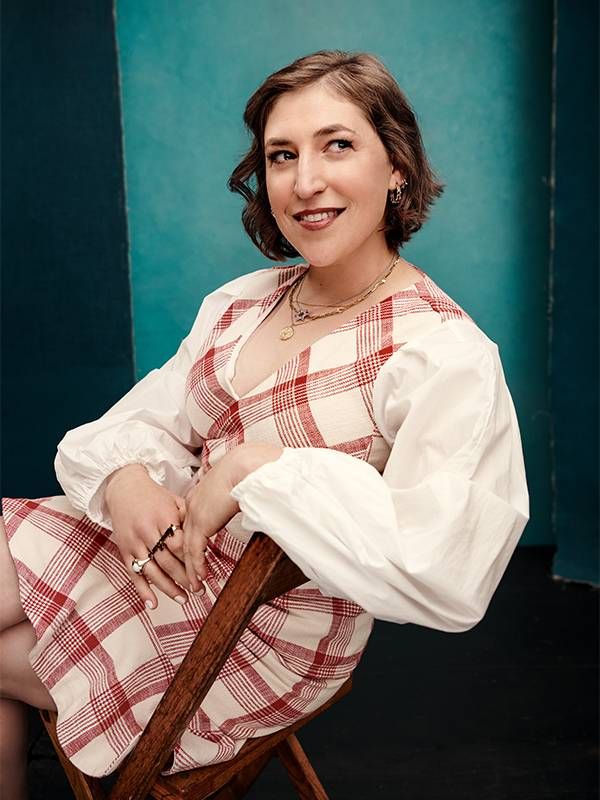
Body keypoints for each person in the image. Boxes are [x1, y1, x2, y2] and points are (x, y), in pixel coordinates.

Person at [0, 50, 529, 796]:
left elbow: (444, 563)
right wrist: (123, 480)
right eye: (283, 155)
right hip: (162, 561)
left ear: (397, 167)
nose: (305, 182)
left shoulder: (440, 351)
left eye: (337, 145)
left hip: (260, 633)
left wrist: (255, 468)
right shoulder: (245, 301)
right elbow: (143, 420)